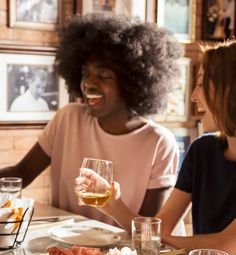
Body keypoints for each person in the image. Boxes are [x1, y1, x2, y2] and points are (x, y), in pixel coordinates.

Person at [1, 12, 181, 227]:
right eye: (86, 74)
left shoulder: (159, 143)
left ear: (132, 83)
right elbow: (21, 174)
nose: (89, 84)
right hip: (60, 250)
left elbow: (148, 227)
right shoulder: (68, 118)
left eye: (104, 76)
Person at [76, 40, 236, 255]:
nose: (193, 96)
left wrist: (162, 239)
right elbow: (158, 228)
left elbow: (223, 247)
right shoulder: (202, 151)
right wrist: (112, 203)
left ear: (230, 90)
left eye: (201, 83)